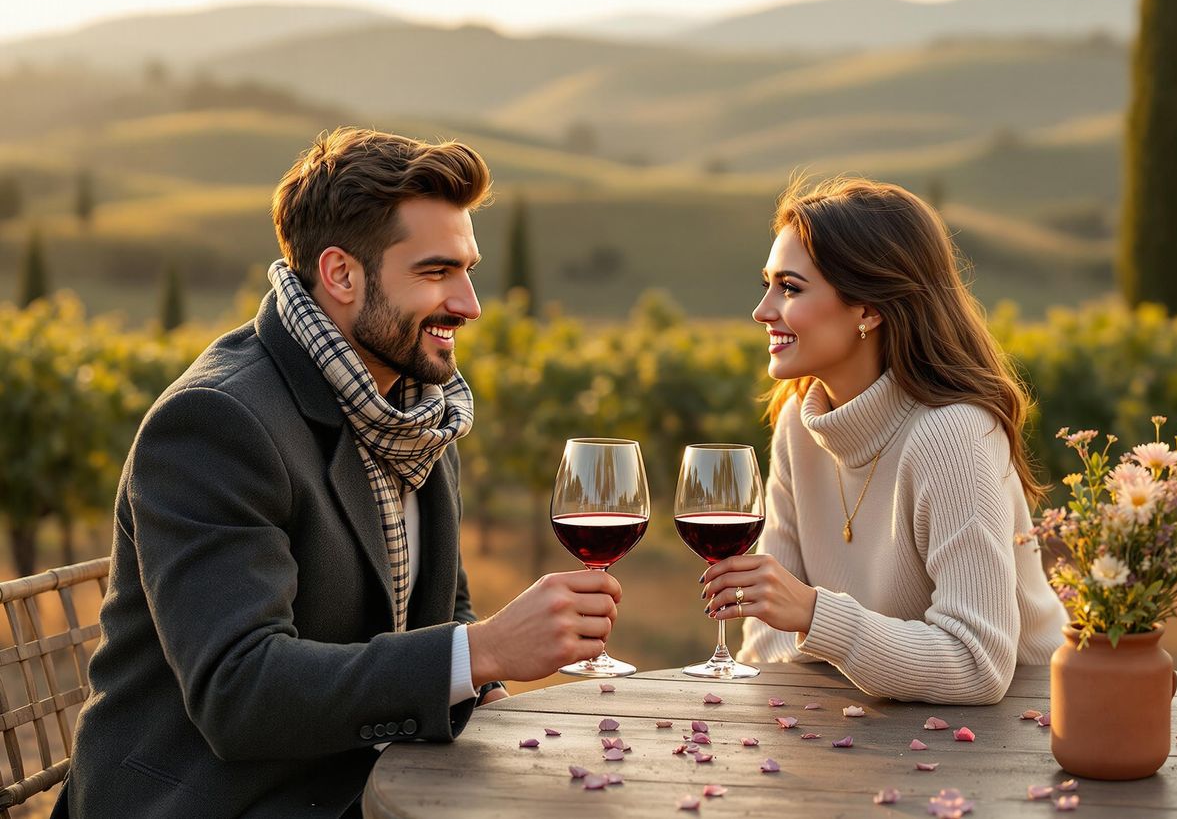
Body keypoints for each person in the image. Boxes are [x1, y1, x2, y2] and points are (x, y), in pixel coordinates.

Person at [55, 128, 622, 818]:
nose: (471, 305)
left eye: (468, 270)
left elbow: (441, 606)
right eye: (437, 272)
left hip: (364, 784)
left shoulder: (416, 411)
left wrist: (487, 687)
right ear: (342, 274)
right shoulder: (216, 423)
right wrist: (485, 650)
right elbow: (240, 692)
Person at [701, 176, 1067, 705]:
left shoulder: (953, 435)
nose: (763, 311)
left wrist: (813, 613)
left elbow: (977, 664)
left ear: (868, 310)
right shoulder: (798, 428)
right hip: (875, 731)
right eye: (767, 284)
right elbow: (768, 644)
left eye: (790, 287)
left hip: (1020, 732)